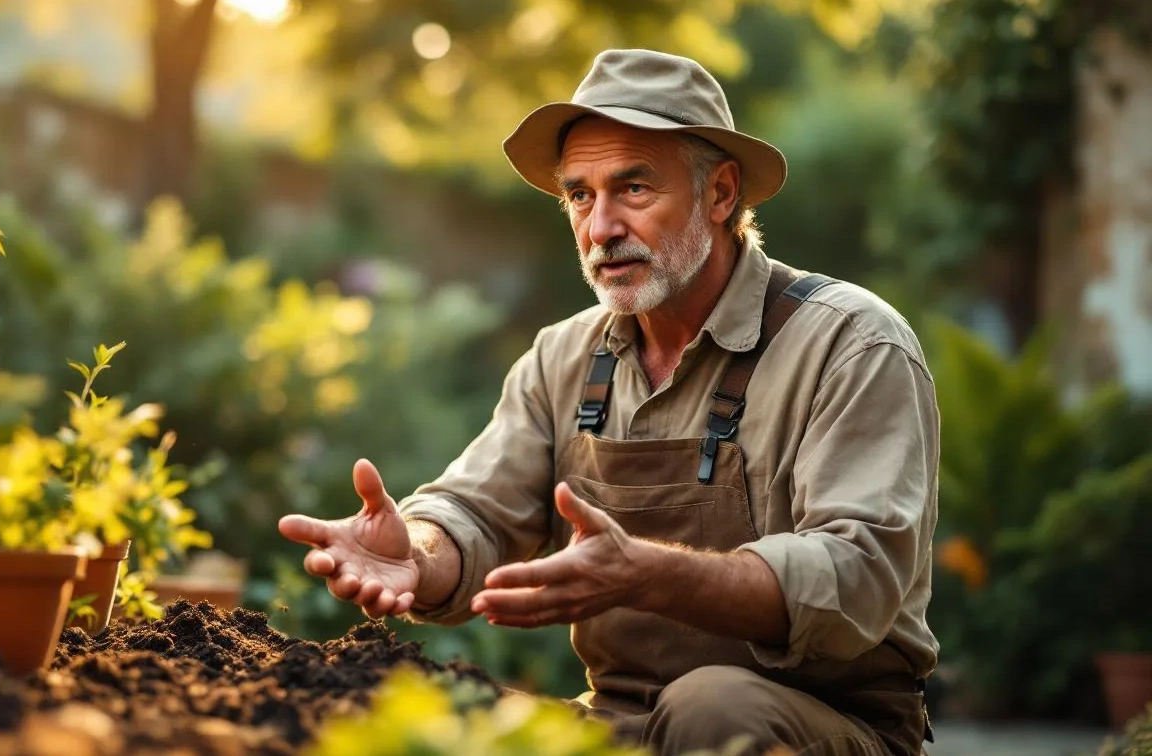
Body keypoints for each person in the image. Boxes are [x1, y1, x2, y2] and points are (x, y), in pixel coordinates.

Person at [278, 48, 939, 756]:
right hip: (620, 720)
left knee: (711, 705)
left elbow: (857, 577)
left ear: (720, 195)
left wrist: (648, 573)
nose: (600, 229)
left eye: (633, 189)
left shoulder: (854, 345)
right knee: (433, 713)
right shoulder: (564, 356)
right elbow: (473, 510)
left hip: (828, 722)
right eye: (580, 195)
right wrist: (416, 550)